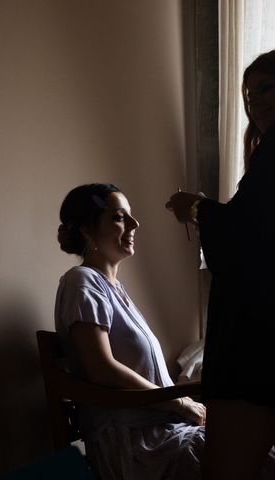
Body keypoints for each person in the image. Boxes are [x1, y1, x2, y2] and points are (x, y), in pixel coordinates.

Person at [166, 49, 275, 480]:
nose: (256, 104)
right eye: (249, 98)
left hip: (255, 351)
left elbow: (250, 239)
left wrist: (198, 208)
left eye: (266, 88)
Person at [55, 183, 206, 480]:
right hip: (137, 443)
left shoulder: (115, 290)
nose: (135, 224)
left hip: (161, 429)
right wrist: (180, 402)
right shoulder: (82, 281)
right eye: (119, 217)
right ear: (87, 230)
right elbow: (101, 368)